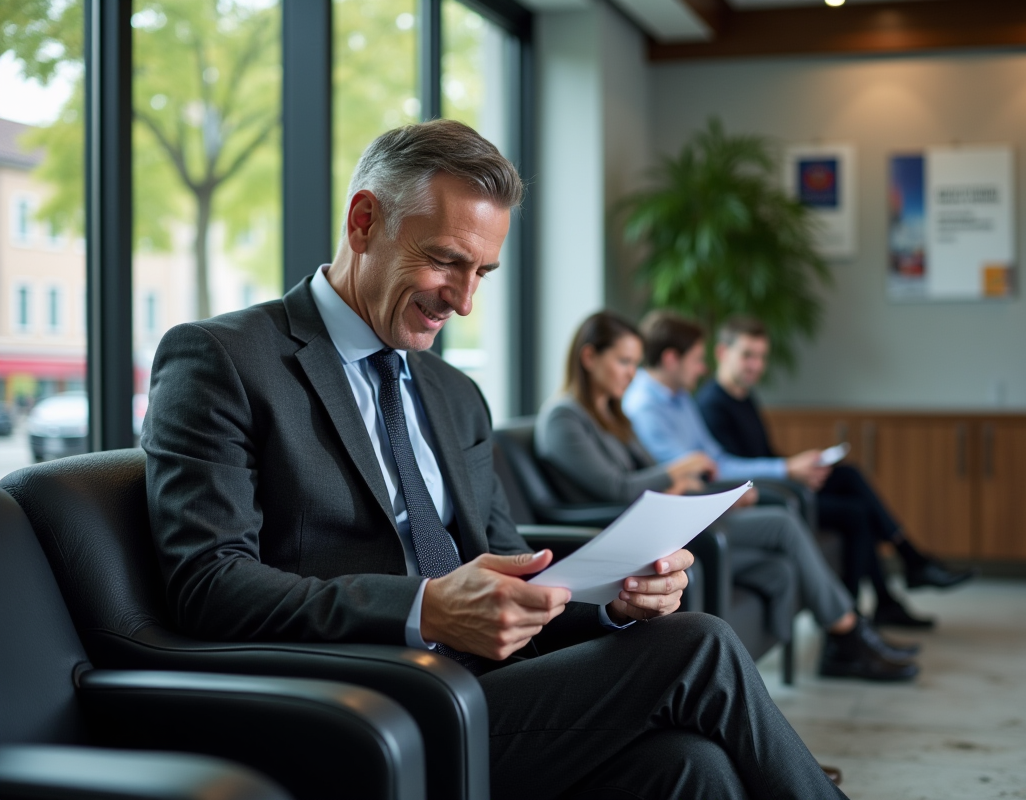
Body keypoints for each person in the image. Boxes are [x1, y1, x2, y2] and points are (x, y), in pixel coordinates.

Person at [143, 120, 849, 799]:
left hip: (485, 686)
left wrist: (612, 602)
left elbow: (516, 566)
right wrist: (425, 608)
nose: (464, 301)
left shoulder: (455, 395)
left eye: (481, 271)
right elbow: (209, 584)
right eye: (446, 261)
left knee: (693, 767)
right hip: (362, 704)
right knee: (700, 645)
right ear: (363, 222)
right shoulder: (224, 360)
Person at [537, 310, 918, 682]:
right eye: (624, 362)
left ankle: (774, 664)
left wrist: (687, 484)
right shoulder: (563, 418)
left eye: (635, 363)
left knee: (776, 568)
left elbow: (647, 477)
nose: (632, 373)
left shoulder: (613, 416)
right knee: (781, 525)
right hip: (627, 537)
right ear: (589, 357)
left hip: (656, 526)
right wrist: (681, 470)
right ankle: (847, 634)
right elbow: (619, 488)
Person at [695, 316, 977, 628]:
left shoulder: (745, 397)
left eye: (762, 357)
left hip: (778, 483)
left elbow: (764, 454)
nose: (756, 365)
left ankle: (901, 574)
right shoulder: (711, 405)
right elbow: (732, 469)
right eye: (748, 355)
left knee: (848, 475)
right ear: (722, 353)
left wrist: (803, 468)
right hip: (764, 495)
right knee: (856, 514)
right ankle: (865, 610)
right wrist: (790, 471)